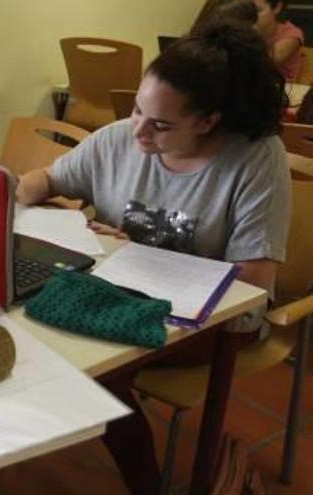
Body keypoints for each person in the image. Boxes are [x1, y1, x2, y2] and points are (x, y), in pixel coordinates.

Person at [17, 21, 290, 495]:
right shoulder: (120, 137)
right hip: (120, 291)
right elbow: (41, 180)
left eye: (161, 125)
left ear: (209, 121)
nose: (138, 132)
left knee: (97, 367)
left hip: (215, 321)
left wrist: (133, 250)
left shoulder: (255, 160)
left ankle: (147, 485)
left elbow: (255, 281)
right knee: (26, 318)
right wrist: (22, 196)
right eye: (138, 109)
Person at [253, 0, 304, 81]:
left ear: (277, 7)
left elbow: (264, 62)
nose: (251, 16)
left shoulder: (292, 34)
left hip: (283, 89)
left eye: (257, 10)